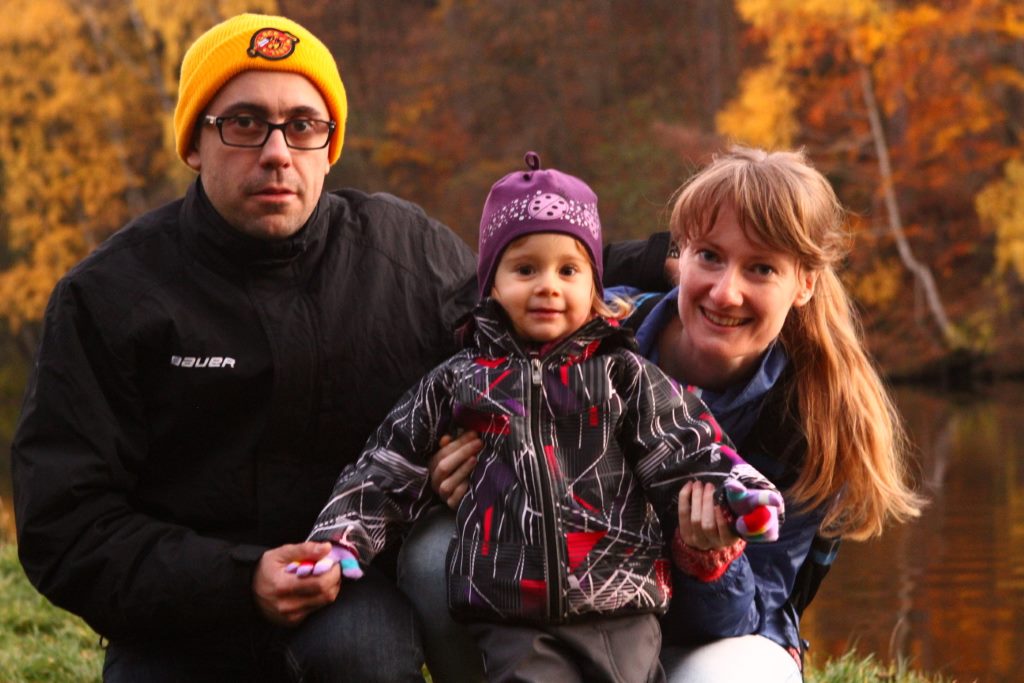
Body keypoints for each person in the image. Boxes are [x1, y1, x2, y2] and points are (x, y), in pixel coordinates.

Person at [10, 13, 481, 682]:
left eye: (302, 125)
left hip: (347, 588)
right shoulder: (108, 296)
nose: (276, 152)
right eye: (243, 122)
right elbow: (65, 522)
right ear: (195, 143)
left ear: (330, 144)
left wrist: (481, 445)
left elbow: (538, 303)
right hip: (179, 613)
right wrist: (237, 581)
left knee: (368, 654)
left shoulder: (409, 256)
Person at [417, 145, 925, 682]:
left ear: (804, 283)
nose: (726, 293)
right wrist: (462, 473)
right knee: (433, 553)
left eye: (761, 268)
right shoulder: (587, 328)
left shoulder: (815, 420)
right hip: (545, 613)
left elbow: (749, 617)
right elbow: (463, 350)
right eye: (710, 256)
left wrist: (709, 562)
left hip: (699, 642)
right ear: (678, 254)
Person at [293, 153, 785, 683]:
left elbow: (686, 445)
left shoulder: (625, 374)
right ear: (493, 284)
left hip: (621, 599)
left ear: (593, 285)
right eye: (526, 269)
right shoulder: (460, 378)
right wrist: (340, 538)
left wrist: (738, 492)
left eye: (568, 270)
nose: (548, 285)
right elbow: (387, 463)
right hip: (515, 613)